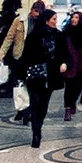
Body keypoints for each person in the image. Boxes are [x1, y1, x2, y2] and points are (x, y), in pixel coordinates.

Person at [18, 9, 66, 148]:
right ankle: (36, 132)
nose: (56, 22)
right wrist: (21, 75)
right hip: (35, 75)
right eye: (54, 19)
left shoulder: (58, 36)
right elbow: (26, 55)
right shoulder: (34, 36)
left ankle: (39, 124)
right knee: (35, 102)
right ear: (46, 20)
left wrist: (65, 64)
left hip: (51, 75)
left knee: (44, 104)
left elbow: (64, 54)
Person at [3, 0, 46, 123]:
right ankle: (21, 110)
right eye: (35, 11)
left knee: (32, 86)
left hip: (34, 59)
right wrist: (2, 52)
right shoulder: (20, 21)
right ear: (31, 10)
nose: (36, 14)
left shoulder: (42, 23)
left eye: (39, 12)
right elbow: (9, 37)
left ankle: (29, 111)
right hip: (19, 56)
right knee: (20, 85)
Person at [61, 10, 82, 121]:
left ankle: (72, 103)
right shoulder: (66, 32)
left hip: (81, 64)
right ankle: (67, 109)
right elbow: (62, 48)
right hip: (69, 63)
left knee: (78, 87)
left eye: (76, 17)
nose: (73, 19)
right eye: (72, 17)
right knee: (69, 87)